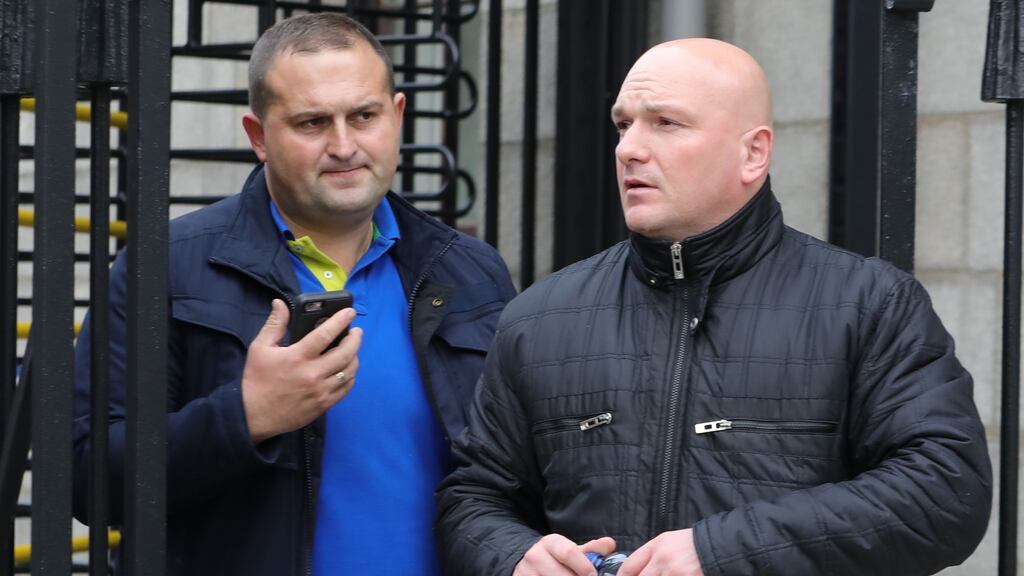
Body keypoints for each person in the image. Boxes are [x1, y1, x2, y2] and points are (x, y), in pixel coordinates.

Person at [435, 38, 992, 576]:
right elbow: (473, 498)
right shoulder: (542, 317)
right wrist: (512, 556)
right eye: (623, 124)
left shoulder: (867, 304)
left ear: (753, 152)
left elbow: (943, 492)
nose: (629, 148)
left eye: (666, 123)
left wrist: (720, 552)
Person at [71, 13, 515, 576]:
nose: (344, 145)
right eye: (311, 123)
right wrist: (246, 416)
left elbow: (507, 474)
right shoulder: (164, 267)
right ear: (259, 137)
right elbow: (87, 479)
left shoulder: (471, 270)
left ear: (397, 116)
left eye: (364, 116)